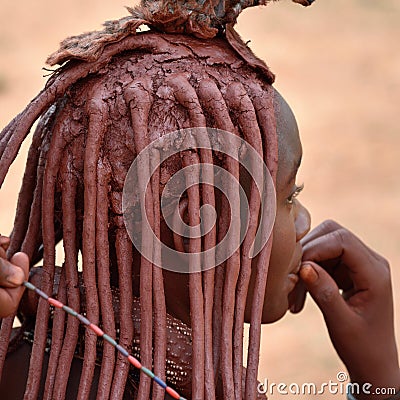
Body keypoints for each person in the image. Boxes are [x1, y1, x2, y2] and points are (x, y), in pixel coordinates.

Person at [0, 1, 399, 399]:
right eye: (290, 195)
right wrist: (379, 378)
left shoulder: (24, 356)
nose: (304, 221)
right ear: (193, 221)